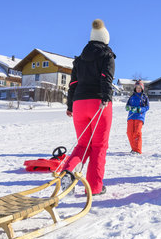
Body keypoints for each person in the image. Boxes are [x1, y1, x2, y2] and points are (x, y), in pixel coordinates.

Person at [62, 19, 116, 196]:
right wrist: (106, 97)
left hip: (79, 103)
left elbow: (73, 84)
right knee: (99, 146)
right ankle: (94, 187)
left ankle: (68, 172)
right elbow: (106, 78)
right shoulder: (107, 56)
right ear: (105, 39)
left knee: (83, 144)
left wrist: (70, 105)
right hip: (98, 103)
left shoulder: (79, 60)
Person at [125, 80, 149, 154]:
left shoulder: (144, 97)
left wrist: (140, 109)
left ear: (142, 88)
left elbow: (147, 107)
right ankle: (133, 149)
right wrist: (128, 108)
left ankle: (137, 150)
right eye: (137, 87)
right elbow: (127, 106)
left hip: (139, 116)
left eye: (140, 88)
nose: (138, 89)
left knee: (137, 132)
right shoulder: (132, 97)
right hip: (131, 116)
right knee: (129, 132)